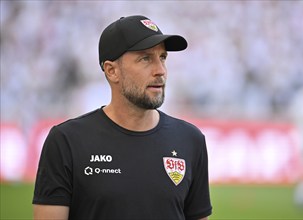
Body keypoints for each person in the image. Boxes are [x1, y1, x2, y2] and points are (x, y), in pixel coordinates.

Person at [32, 15, 212, 220]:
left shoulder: (190, 140)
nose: (160, 71)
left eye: (162, 57)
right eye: (145, 59)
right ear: (112, 71)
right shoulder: (66, 141)